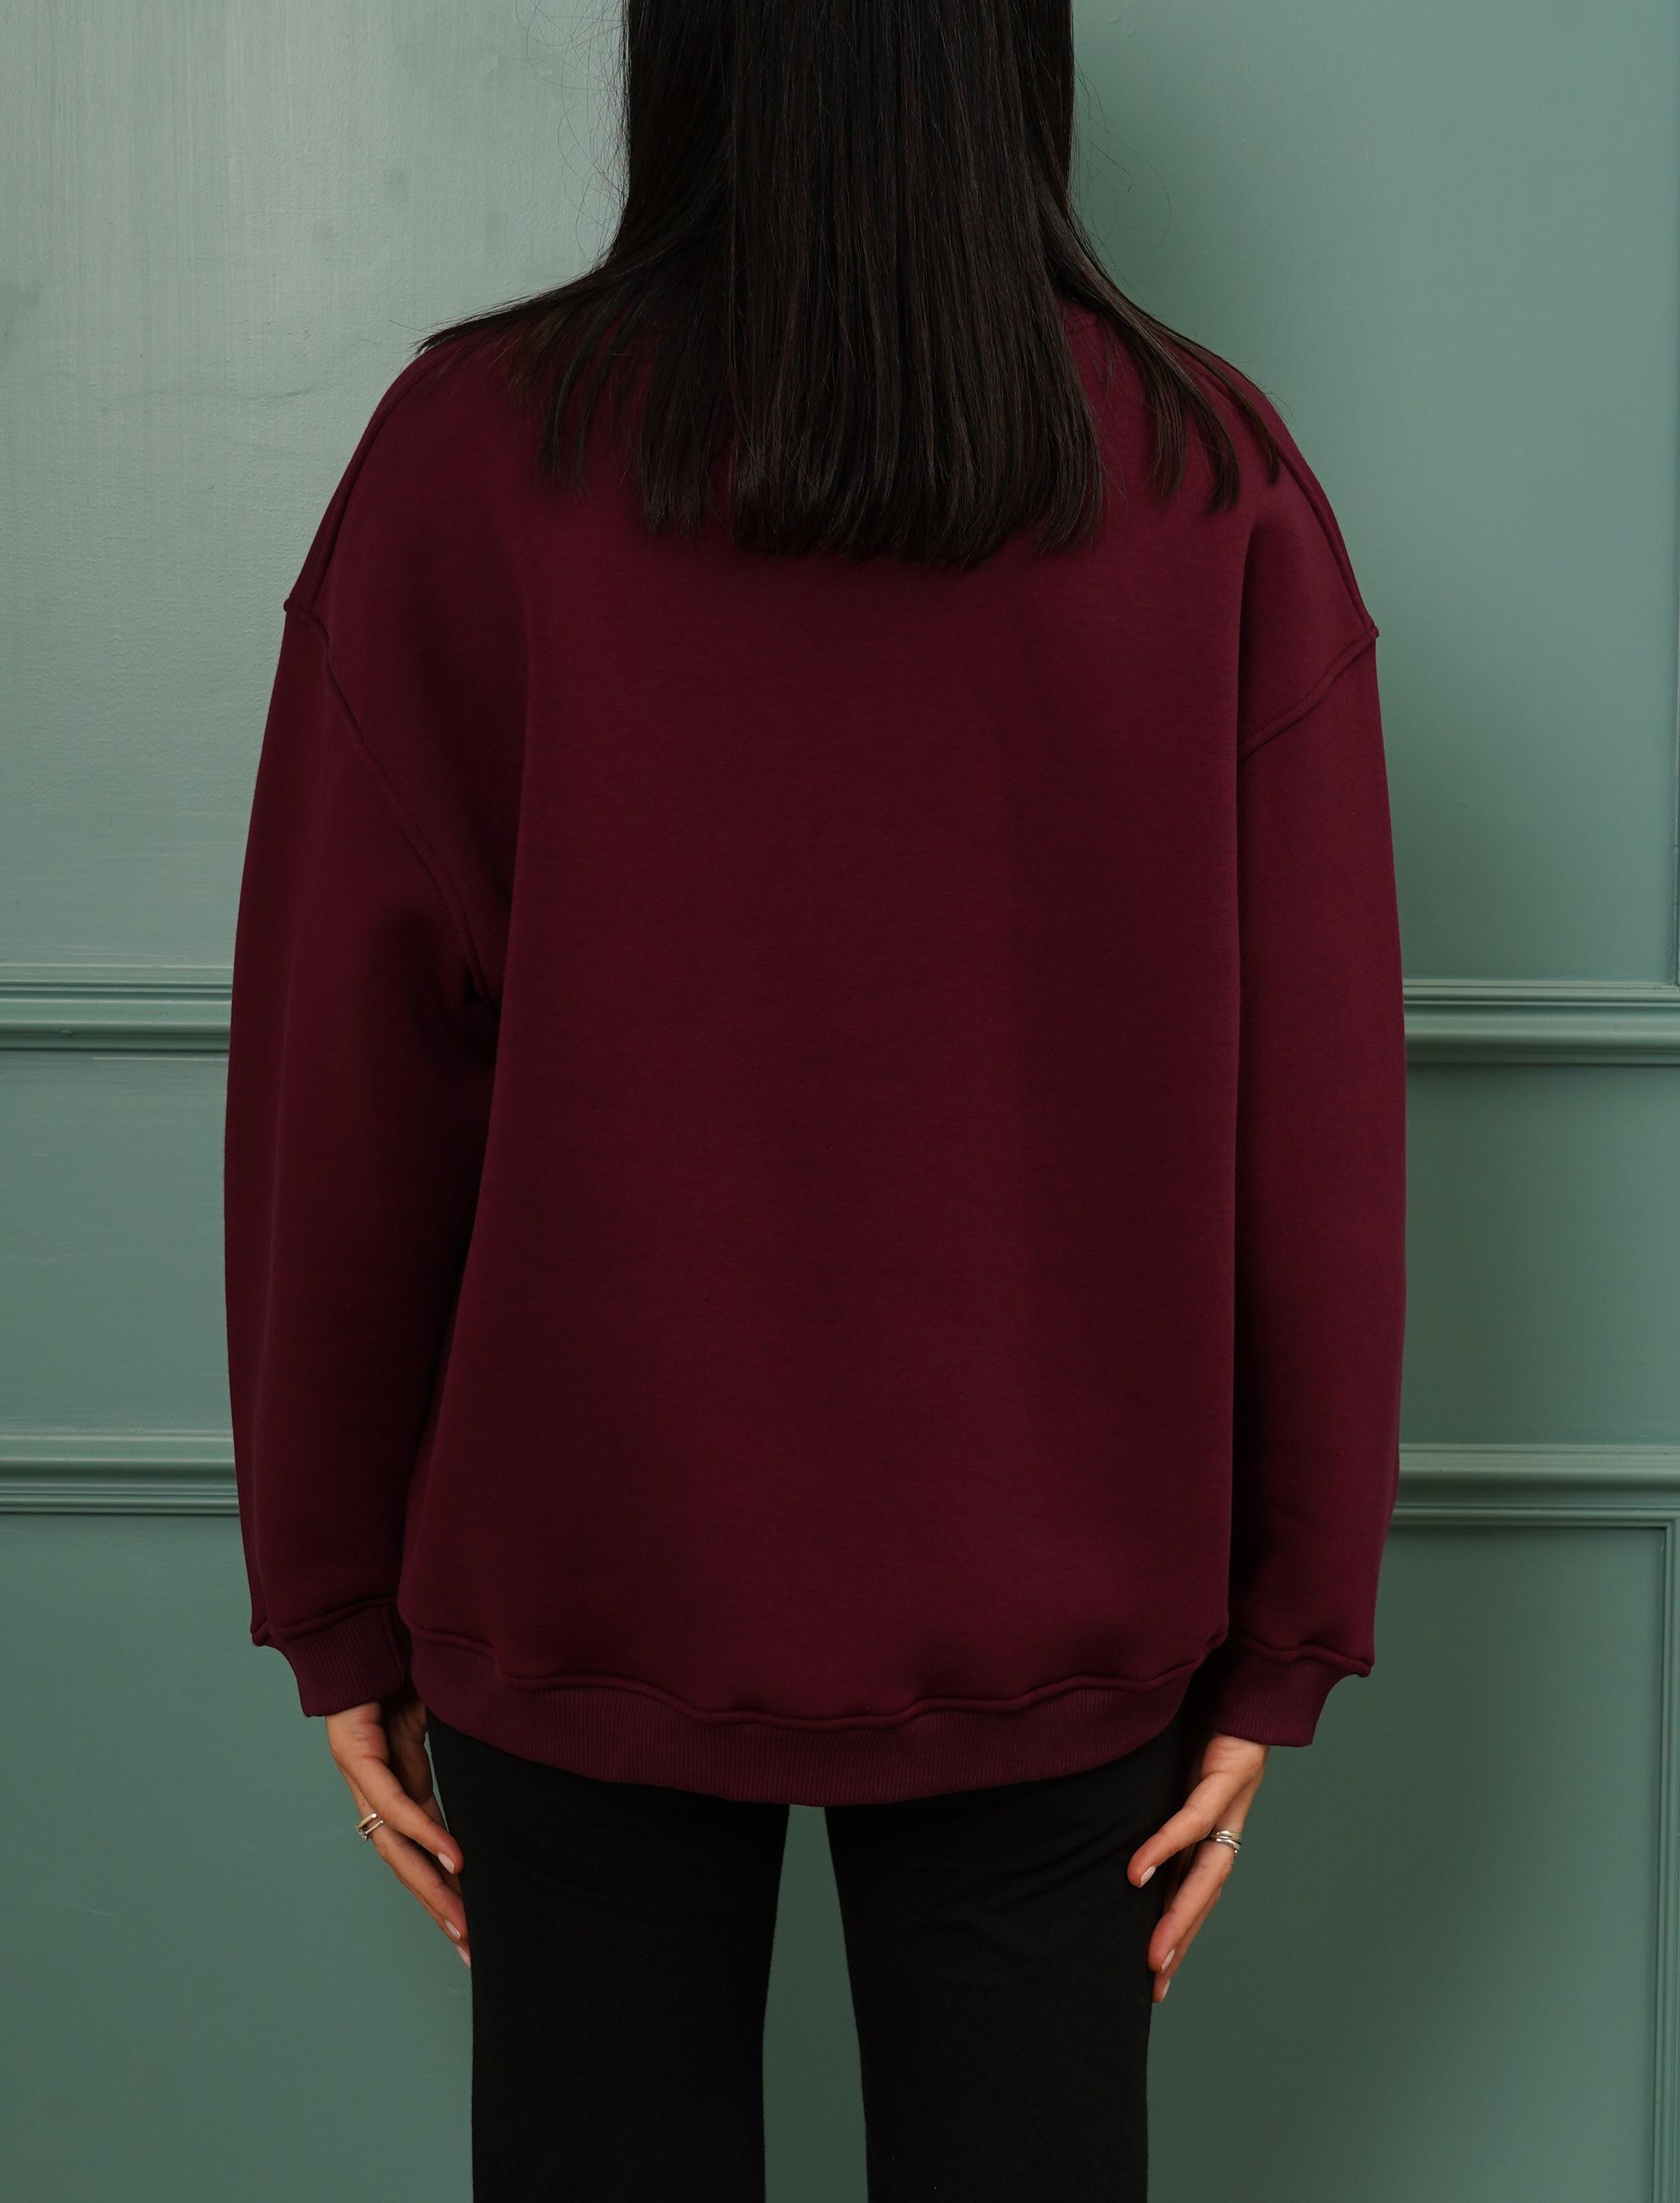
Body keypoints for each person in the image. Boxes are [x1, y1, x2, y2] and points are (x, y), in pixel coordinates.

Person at [222, 2, 1407, 2195]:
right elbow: (1316, 1124)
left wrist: (333, 1595)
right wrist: (1281, 1639)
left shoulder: (471, 462)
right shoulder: (1208, 480)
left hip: (577, 1564)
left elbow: (346, 1082)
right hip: (1063, 1593)